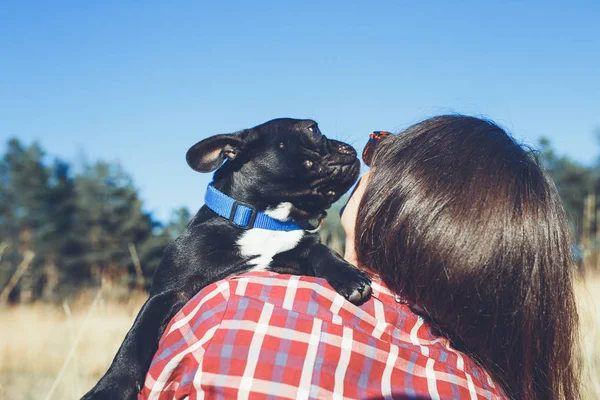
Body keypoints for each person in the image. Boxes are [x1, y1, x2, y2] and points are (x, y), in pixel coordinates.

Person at [139, 115, 580, 400]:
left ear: (411, 202)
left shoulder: (235, 312)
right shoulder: (487, 385)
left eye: (379, 150)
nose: (363, 163)